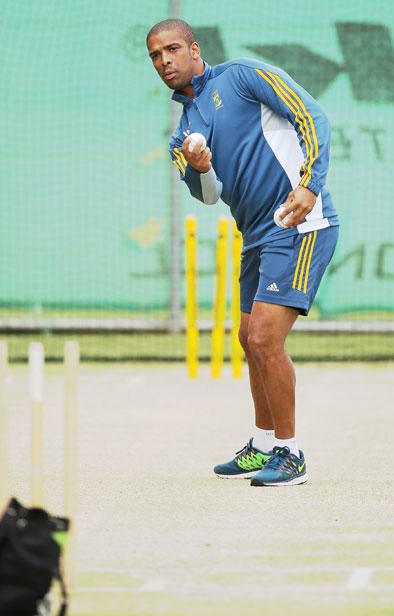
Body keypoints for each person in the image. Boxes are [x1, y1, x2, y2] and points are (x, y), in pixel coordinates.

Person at [146, 19, 339, 486]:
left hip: (299, 222)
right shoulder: (182, 134)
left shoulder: (244, 75)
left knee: (264, 340)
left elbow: (313, 116)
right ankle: (263, 444)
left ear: (194, 49)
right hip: (255, 235)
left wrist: (310, 185)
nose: (165, 61)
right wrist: (201, 166)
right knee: (248, 338)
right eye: (155, 55)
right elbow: (209, 195)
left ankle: (291, 456)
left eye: (172, 49)